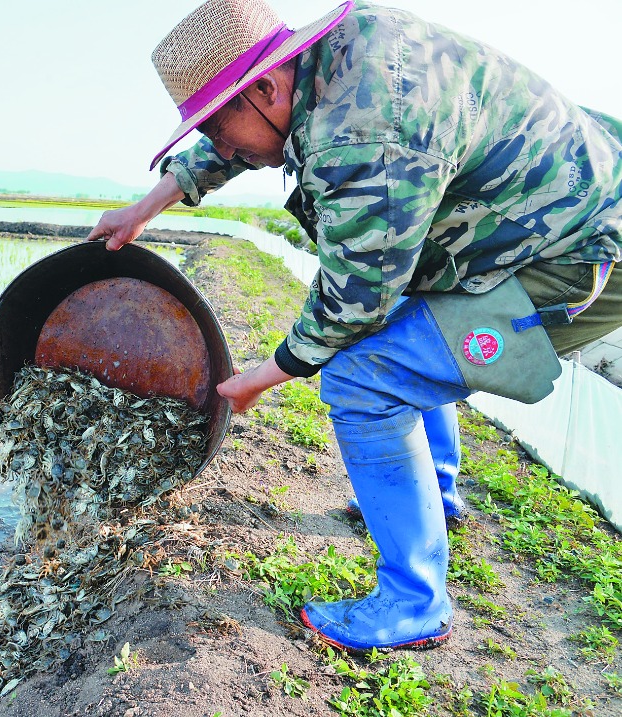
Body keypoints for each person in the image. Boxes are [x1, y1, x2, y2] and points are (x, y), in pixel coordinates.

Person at [87, 0, 622, 652]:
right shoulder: (321, 65)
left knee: (363, 375)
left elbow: (353, 301)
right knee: (400, 329)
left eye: (219, 129)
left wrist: (262, 375)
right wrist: (144, 208)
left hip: (578, 251)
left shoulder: (361, 130)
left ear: (263, 85)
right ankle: (439, 495)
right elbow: (241, 141)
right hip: (540, 214)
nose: (221, 148)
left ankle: (415, 602)